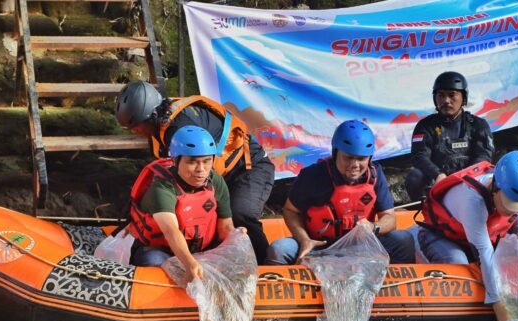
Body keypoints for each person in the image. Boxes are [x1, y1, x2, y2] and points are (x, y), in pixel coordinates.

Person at [116, 80, 275, 264]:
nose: (134, 131)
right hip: (213, 172)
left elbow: (199, 174)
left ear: (151, 115)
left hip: (248, 167)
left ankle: (265, 268)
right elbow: (165, 175)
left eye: (136, 126)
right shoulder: (159, 128)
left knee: (241, 214)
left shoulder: (182, 129)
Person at [417, 150, 518, 321]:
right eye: (511, 203)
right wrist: (500, 309)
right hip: (440, 237)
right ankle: (420, 253)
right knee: (459, 262)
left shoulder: (517, 191)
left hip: (472, 239)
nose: (515, 210)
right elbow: (485, 252)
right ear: (496, 188)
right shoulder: (472, 200)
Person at [266, 120, 415, 265]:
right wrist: (304, 239)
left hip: (361, 247)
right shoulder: (312, 175)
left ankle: (391, 286)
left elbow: (389, 218)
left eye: (361, 159)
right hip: (319, 245)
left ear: (370, 158)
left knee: (404, 240)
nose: (355, 165)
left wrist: (373, 227)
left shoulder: (376, 175)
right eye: (348, 158)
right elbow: (291, 211)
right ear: (336, 153)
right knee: (279, 250)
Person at [128, 125, 243, 283]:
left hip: (202, 252)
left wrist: (235, 235)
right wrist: (190, 264)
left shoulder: (216, 181)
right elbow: (171, 231)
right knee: (152, 259)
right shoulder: (162, 188)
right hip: (163, 251)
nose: (201, 170)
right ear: (176, 161)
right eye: (192, 162)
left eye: (207, 161)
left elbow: (225, 227)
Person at [405, 71, 494, 202]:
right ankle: (426, 212)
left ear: (464, 98)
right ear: (435, 98)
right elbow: (419, 156)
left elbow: (485, 155)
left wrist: (466, 176)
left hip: (471, 180)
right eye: (441, 95)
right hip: (439, 182)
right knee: (414, 176)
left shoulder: (478, 124)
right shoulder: (425, 126)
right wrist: (438, 174)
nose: (446, 100)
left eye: (452, 95)